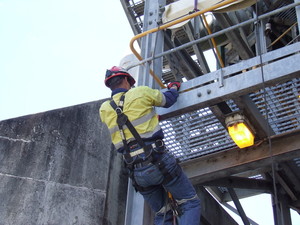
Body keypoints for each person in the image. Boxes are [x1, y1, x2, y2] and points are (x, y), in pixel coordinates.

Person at [99, 66, 201, 225]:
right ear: (126, 80)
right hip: (158, 160)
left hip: (136, 171)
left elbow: (127, 124)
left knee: (162, 214)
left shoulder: (104, 109)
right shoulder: (140, 92)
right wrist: (173, 87)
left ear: (110, 85)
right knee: (189, 202)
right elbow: (168, 100)